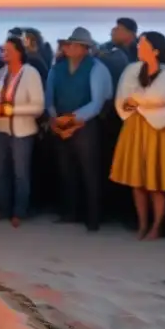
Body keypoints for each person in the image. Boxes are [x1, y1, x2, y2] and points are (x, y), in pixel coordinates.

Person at [110, 32, 165, 240]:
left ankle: (157, 226)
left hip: (158, 129)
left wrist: (141, 102)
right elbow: (123, 98)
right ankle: (142, 223)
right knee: (137, 180)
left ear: (156, 50)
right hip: (134, 126)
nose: (138, 47)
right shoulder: (132, 70)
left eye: (143, 44)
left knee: (156, 182)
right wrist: (137, 104)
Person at [44, 27, 113, 231]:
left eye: (73, 44)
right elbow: (49, 97)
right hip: (61, 122)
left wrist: (73, 119)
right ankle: (69, 212)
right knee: (66, 170)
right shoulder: (57, 69)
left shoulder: (96, 68)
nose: (68, 47)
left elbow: (97, 102)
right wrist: (55, 118)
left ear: (84, 48)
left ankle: (93, 217)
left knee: (89, 171)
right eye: (67, 44)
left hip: (86, 124)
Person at [0, 35, 44, 227]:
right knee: (0, 171)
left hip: (22, 131)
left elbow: (38, 107)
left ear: (19, 52)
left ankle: (19, 211)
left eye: (8, 50)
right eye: (3, 50)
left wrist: (13, 110)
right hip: (0, 129)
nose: (4, 53)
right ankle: (3, 208)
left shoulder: (30, 73)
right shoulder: (1, 73)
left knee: (21, 173)